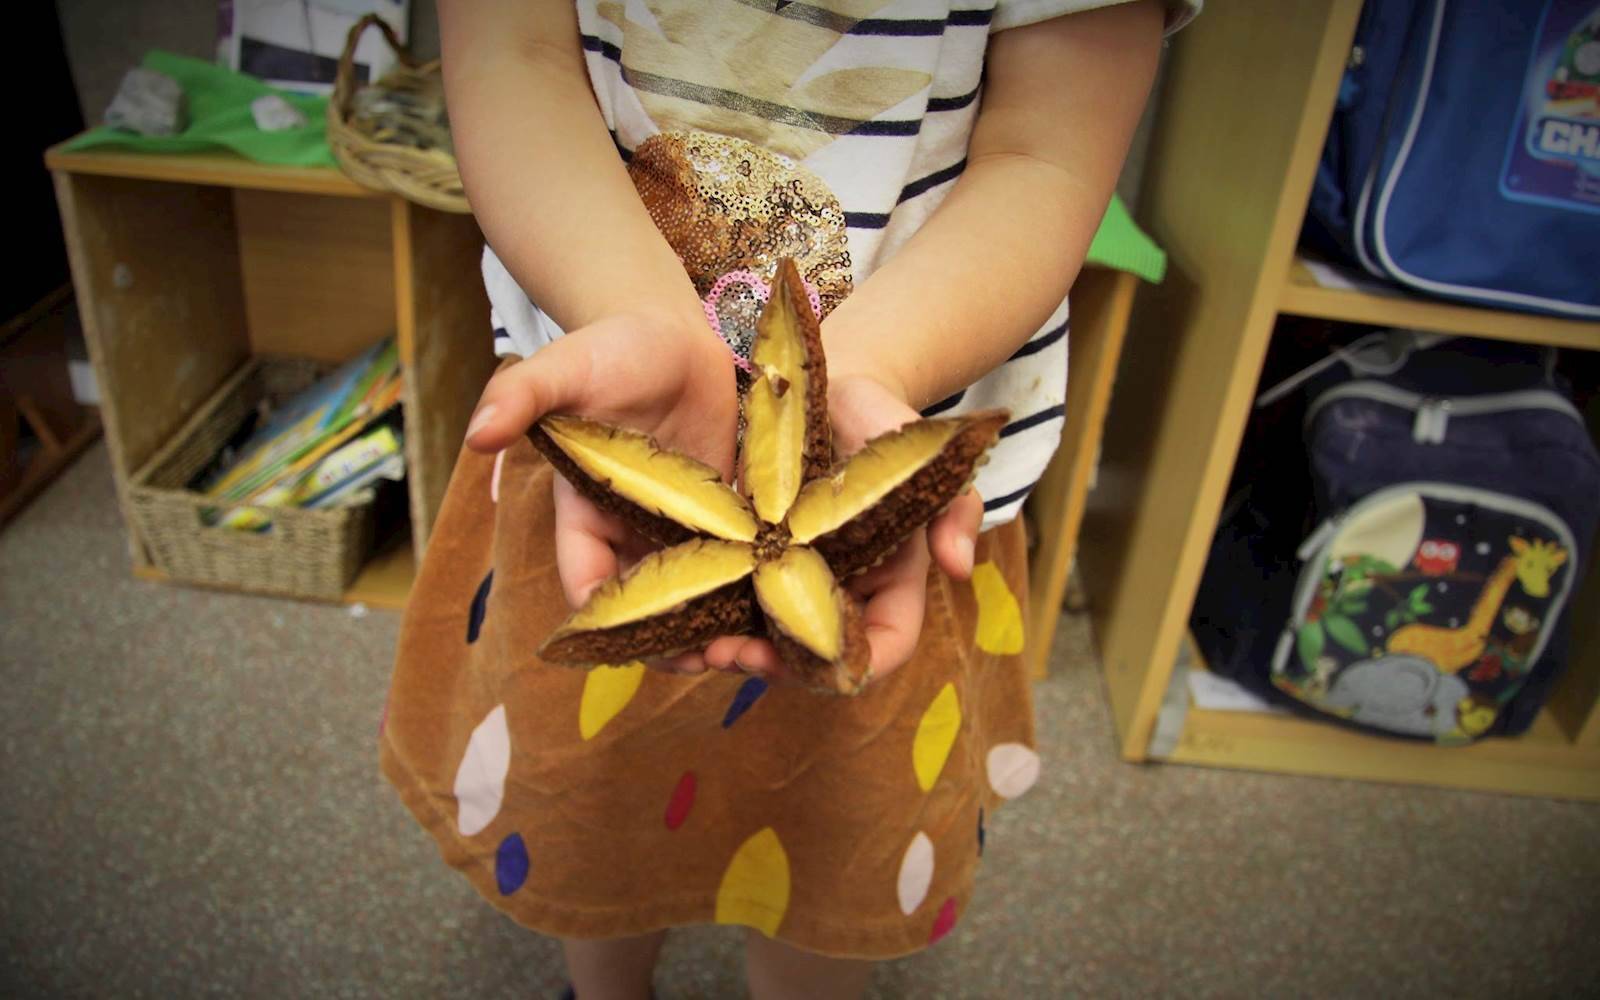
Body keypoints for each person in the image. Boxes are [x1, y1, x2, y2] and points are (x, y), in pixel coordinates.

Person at [382, 2, 1193, 996]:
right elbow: (510, 53)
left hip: (891, 441)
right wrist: (636, 312)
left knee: (837, 815)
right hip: (609, 424)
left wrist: (864, 369)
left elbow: (1046, 158)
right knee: (592, 795)